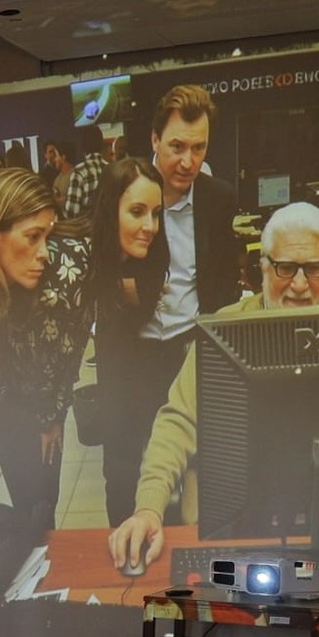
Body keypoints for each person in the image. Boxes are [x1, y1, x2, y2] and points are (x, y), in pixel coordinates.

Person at [109, 202, 319, 572]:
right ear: (263, 267)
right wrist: (149, 507)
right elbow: (177, 422)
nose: (300, 284)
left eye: (314, 268)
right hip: (229, 525)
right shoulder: (223, 333)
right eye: (285, 268)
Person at [96, 85, 241, 531]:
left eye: (199, 148)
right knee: (123, 466)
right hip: (130, 352)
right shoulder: (127, 188)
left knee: (189, 464)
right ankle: (126, 550)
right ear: (155, 140)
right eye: (177, 146)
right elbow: (98, 266)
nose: (187, 161)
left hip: (187, 348)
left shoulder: (218, 199)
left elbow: (221, 286)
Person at [0, 167, 88, 526]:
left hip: (21, 390)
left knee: (39, 504)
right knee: (33, 507)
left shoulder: (0, 275)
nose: (45, 253)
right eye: (33, 237)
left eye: (48, 237)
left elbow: (64, 349)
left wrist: (51, 414)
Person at [87, 157, 169, 525]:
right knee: (119, 475)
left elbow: (142, 310)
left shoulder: (154, 253)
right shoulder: (83, 258)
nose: (150, 226)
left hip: (151, 375)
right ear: (110, 209)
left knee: (154, 470)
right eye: (137, 211)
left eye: (155, 213)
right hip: (115, 382)